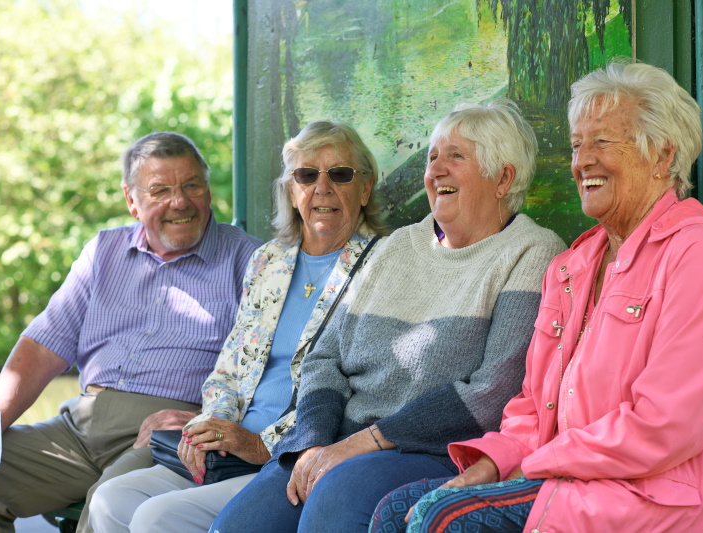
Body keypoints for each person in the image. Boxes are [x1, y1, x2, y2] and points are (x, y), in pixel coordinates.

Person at [370, 61, 703, 533]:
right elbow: (534, 406)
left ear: (661, 155)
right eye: (577, 145)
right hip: (568, 485)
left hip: (653, 501)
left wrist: (535, 465)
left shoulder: (700, 255)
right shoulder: (572, 266)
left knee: (441, 518)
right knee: (398, 509)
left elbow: (668, 425)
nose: (581, 161)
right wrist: (491, 466)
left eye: (601, 142)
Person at [208, 99, 567, 533]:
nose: (436, 170)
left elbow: (493, 391)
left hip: (426, 449)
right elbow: (324, 359)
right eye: (433, 157)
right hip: (337, 439)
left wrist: (362, 444)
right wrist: (315, 443)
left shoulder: (531, 252)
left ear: (503, 177)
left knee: (334, 505)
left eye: (456, 156)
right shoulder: (398, 246)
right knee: (237, 526)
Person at [85, 121, 387, 533]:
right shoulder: (268, 261)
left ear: (364, 189)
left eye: (340, 174)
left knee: (158, 519)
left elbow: (361, 388)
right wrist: (211, 425)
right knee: (110, 500)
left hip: (288, 456)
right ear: (291, 190)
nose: (322, 187)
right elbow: (229, 368)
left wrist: (261, 444)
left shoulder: (384, 266)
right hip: (229, 452)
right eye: (306, 174)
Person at [0, 132, 262, 533]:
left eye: (192, 185)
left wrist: (205, 417)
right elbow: (41, 347)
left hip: (166, 431)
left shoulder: (250, 261)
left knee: (109, 502)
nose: (180, 202)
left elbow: (268, 371)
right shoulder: (103, 252)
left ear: (208, 189)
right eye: (160, 190)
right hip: (79, 427)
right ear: (131, 200)